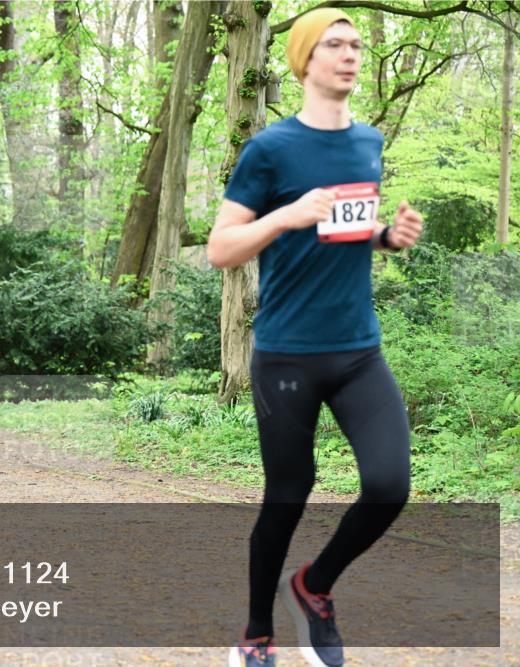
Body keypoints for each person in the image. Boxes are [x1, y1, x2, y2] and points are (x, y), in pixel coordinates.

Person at [207, 9, 423, 667]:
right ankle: (255, 633)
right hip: (287, 354)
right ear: (305, 59)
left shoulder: (369, 142)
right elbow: (221, 248)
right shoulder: (269, 150)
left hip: (358, 348)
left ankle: (315, 585)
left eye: (356, 45)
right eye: (335, 44)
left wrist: (386, 236)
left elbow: (348, 228)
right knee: (288, 493)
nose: (350, 54)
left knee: (389, 484)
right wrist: (285, 214)